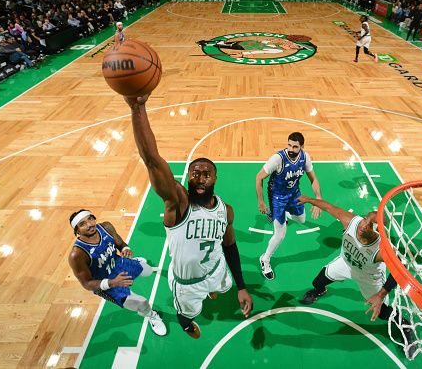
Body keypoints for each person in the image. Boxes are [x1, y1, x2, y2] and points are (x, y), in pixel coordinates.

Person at [126, 93, 252, 339]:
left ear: (215, 179)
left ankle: (214, 289)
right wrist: (137, 107)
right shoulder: (178, 203)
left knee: (221, 286)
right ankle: (185, 321)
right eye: (195, 173)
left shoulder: (225, 210)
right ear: (187, 177)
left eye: (206, 174)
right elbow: (152, 160)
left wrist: (241, 286)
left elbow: (230, 247)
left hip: (216, 269)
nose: (200, 178)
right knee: (188, 313)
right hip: (187, 284)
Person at [296, 195, 417, 358]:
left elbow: (399, 271)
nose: (363, 225)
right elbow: (329, 207)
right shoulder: (352, 222)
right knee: (317, 281)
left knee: (381, 312)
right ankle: (319, 291)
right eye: (365, 219)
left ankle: (406, 326)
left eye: (369, 225)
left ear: (377, 231)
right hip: (345, 263)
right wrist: (310, 200)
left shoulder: (382, 250)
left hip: (369, 276)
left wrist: (380, 295)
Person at [67, 209, 167, 336]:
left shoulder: (106, 227)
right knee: (141, 302)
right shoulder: (77, 254)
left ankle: (134, 262)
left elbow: (120, 244)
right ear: (77, 231)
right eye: (82, 224)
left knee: (147, 271)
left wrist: (125, 249)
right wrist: (113, 282)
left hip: (117, 262)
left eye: (90, 219)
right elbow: (87, 284)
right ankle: (151, 315)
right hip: (106, 282)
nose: (89, 224)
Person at [256, 132, 322, 280]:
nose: (291, 149)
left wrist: (318, 198)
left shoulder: (305, 157)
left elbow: (314, 179)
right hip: (277, 197)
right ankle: (265, 260)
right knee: (280, 234)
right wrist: (261, 202)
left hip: (294, 193)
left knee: (302, 219)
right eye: (289, 145)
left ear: (302, 147)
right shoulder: (278, 159)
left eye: (295, 146)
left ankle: (283, 215)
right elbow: (259, 177)